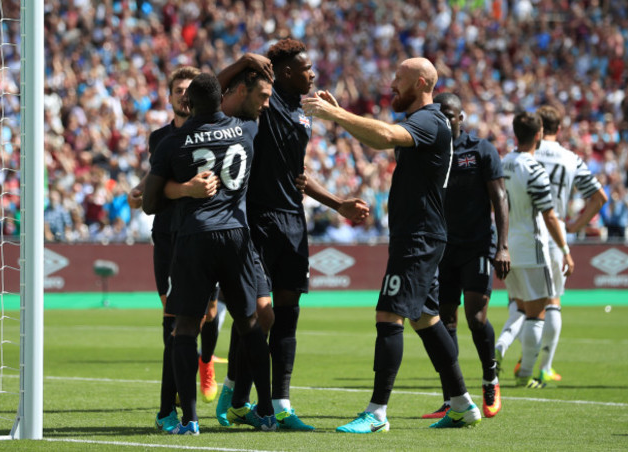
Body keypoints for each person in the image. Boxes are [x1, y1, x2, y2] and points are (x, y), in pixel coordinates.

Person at [303, 57, 481, 432]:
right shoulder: (422, 123)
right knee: (427, 319)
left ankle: (377, 412)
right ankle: (463, 403)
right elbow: (378, 136)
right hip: (420, 233)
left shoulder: (431, 120)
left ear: (420, 82)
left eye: (398, 79)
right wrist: (340, 114)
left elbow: (384, 136)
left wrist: (335, 116)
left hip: (419, 236)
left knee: (388, 315)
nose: (391, 85)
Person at [215, 41, 369, 431]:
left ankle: (281, 404)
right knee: (256, 314)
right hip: (258, 219)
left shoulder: (304, 112)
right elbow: (211, 95)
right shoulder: (261, 100)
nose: (313, 74)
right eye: (307, 68)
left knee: (288, 315)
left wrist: (338, 204)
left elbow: (298, 176)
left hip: (293, 222)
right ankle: (234, 394)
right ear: (286, 73)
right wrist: (244, 61)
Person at [142, 73, 277, 433]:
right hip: (237, 235)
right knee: (249, 324)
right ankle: (265, 410)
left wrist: (184, 189)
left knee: (185, 328)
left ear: (188, 104)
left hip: (195, 237)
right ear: (223, 99)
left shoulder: (173, 142)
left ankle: (188, 419)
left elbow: (149, 204)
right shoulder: (247, 130)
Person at [495, 105, 606, 384]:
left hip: (508, 239)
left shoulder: (506, 159)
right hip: (546, 238)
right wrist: (573, 229)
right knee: (549, 304)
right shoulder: (570, 159)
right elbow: (599, 197)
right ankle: (542, 366)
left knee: (519, 305)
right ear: (547, 130)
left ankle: (510, 350)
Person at [126, 66, 207, 433]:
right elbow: (158, 175)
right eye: (178, 90)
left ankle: (202, 375)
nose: (184, 95)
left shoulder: (212, 132)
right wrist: (141, 188)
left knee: (205, 318)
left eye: (190, 89)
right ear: (170, 96)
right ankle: (167, 409)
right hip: (169, 238)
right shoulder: (159, 137)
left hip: (205, 236)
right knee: (173, 324)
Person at [421, 92, 509, 420]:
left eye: (452, 115)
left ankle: (490, 377)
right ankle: (452, 398)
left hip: (477, 246)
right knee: (445, 322)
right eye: (441, 115)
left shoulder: (481, 150)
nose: (447, 120)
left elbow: (500, 197)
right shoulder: (430, 150)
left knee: (476, 318)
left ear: (462, 118)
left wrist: (503, 245)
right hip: (441, 248)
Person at [499, 111, 574, 388]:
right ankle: (527, 373)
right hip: (532, 247)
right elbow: (549, 215)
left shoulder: (502, 162)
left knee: (518, 308)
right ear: (539, 134)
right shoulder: (534, 169)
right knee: (537, 312)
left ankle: (502, 345)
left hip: (506, 247)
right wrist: (565, 249)